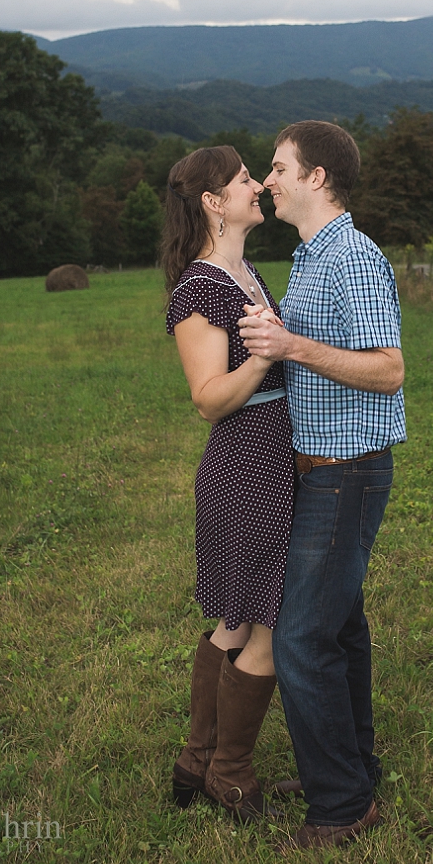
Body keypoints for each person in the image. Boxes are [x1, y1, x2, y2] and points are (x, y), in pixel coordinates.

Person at [239, 121, 405, 851]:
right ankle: (349, 768)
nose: (268, 180)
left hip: (348, 473)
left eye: (277, 168)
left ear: (316, 177)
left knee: (302, 639)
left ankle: (342, 808)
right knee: (338, 630)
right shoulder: (311, 256)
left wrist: (291, 345)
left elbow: (389, 368)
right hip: (319, 468)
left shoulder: (353, 258)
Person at [162, 145, 294, 823]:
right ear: (213, 202)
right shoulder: (201, 287)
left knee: (236, 618)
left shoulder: (245, 271)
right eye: (245, 179)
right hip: (243, 466)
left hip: (269, 460)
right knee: (269, 619)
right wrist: (269, 355)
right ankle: (230, 775)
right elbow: (209, 397)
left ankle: (195, 762)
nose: (257, 185)